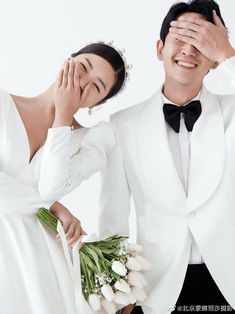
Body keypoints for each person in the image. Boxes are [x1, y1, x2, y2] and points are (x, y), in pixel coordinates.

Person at [98, 1, 235, 313]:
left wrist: (228, 54)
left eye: (201, 41)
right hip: (156, 289)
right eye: (181, 38)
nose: (189, 50)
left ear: (213, 58)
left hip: (230, 283)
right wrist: (116, 290)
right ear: (159, 48)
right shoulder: (123, 125)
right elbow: (113, 218)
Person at [0, 42, 127, 314]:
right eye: (82, 68)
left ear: (98, 104)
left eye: (97, 87)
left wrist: (63, 116)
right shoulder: (3, 102)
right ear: (67, 61)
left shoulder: (91, 143)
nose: (82, 83)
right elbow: (48, 200)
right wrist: (55, 207)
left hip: (39, 257)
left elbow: (50, 188)